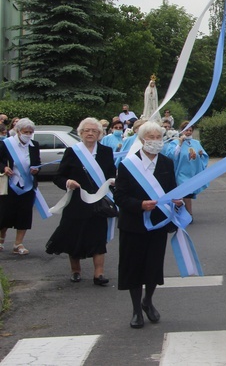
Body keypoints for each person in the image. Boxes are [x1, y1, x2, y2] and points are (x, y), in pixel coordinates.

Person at [114, 121, 183, 329]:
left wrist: (176, 201)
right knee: (133, 267)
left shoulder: (166, 163)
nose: (155, 141)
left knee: (153, 266)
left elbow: (172, 189)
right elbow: (119, 196)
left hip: (158, 224)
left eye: (158, 137)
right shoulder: (128, 164)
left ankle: (148, 300)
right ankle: (136, 309)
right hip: (133, 225)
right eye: (151, 137)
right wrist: (139, 205)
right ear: (142, 140)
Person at [46, 118, 116, 285]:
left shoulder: (106, 151)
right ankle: (75, 270)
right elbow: (58, 177)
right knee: (74, 236)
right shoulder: (72, 151)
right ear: (81, 133)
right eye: (86, 130)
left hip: (98, 201)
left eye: (94, 131)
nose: (90, 133)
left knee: (98, 236)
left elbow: (112, 174)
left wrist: (113, 182)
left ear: (100, 134)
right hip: (76, 202)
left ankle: (99, 273)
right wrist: (67, 183)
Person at [0, 118, 41, 255]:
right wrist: (4, 168)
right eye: (25, 132)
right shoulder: (6, 144)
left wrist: (36, 169)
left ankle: (18, 244)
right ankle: (1, 240)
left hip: (28, 186)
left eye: (31, 132)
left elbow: (37, 163)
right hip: (10, 184)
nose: (28, 134)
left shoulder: (34, 145)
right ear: (18, 131)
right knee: (5, 214)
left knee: (24, 215)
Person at [163, 121, 208, 216]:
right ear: (182, 131)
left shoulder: (196, 143)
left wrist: (200, 154)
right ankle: (182, 214)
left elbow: (204, 156)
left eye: (190, 130)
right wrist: (179, 144)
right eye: (186, 130)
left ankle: (187, 214)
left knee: (188, 194)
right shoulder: (174, 143)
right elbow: (171, 156)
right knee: (182, 193)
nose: (188, 132)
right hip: (180, 172)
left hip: (192, 173)